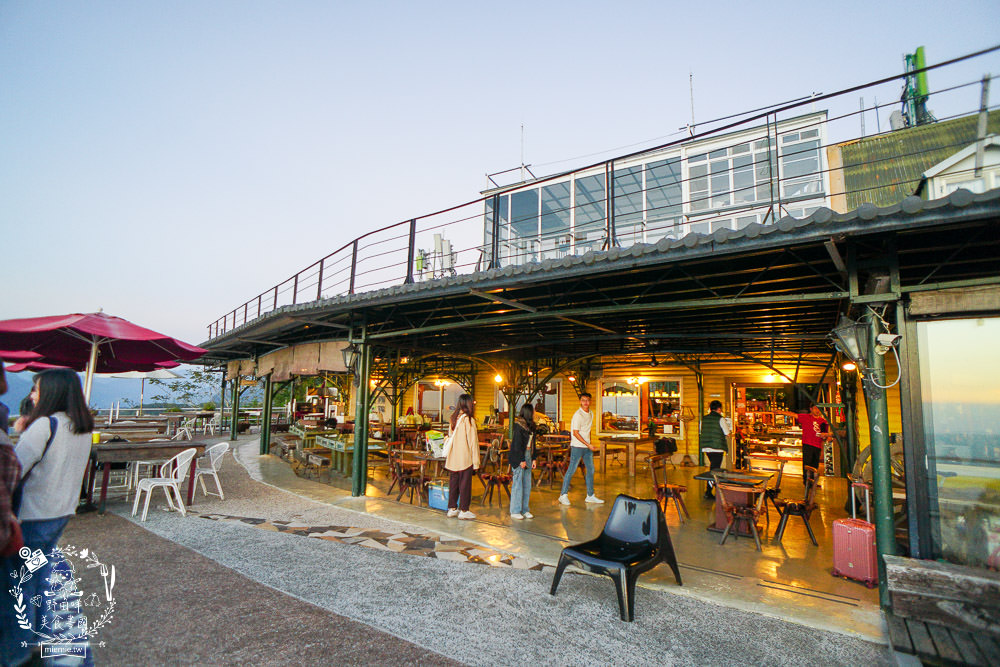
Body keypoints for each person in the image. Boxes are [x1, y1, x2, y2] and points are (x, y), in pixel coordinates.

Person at [0, 368, 94, 667]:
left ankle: (15, 653)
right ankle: (41, 638)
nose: (32, 396)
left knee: (18, 585)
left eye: (36, 390)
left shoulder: (45, 425)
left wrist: (22, 430)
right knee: (37, 575)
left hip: (32, 516)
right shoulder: (81, 427)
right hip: (61, 513)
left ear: (51, 392)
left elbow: (15, 467)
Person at [558, 392, 603, 506]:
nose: (585, 402)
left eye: (587, 400)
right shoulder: (578, 415)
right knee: (571, 470)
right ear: (580, 401)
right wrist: (588, 445)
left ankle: (590, 495)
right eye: (583, 400)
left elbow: (588, 430)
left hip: (587, 447)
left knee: (591, 470)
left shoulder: (591, 413)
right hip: (577, 446)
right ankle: (563, 495)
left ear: (590, 401)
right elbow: (575, 433)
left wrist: (589, 443)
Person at [444, 393, 479, 520]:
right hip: (465, 458)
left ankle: (452, 508)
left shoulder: (453, 419)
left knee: (453, 483)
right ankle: (464, 510)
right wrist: (476, 462)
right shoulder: (469, 420)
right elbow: (473, 442)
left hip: (453, 457)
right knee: (465, 485)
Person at [777, 402, 832, 475]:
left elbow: (825, 435)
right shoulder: (806, 417)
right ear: (811, 409)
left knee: (815, 465)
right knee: (807, 464)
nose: (817, 410)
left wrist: (826, 437)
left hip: (818, 446)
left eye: (819, 409)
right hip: (808, 444)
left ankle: (813, 481)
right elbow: (794, 415)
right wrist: (780, 412)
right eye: (815, 408)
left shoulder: (823, 421)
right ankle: (807, 482)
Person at [509, 404, 537, 520]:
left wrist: (534, 458)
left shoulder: (532, 426)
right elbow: (516, 445)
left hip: (529, 455)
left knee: (527, 484)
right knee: (518, 484)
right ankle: (515, 510)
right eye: (533, 411)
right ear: (529, 412)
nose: (535, 413)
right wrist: (521, 460)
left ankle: (525, 509)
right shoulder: (519, 426)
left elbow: (533, 443)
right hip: (519, 456)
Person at [700, 400, 729, 498]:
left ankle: (713, 489)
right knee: (714, 470)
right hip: (717, 448)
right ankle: (708, 491)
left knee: (713, 467)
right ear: (719, 409)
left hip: (706, 447)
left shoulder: (703, 419)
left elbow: (701, 431)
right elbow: (727, 433)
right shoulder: (720, 419)